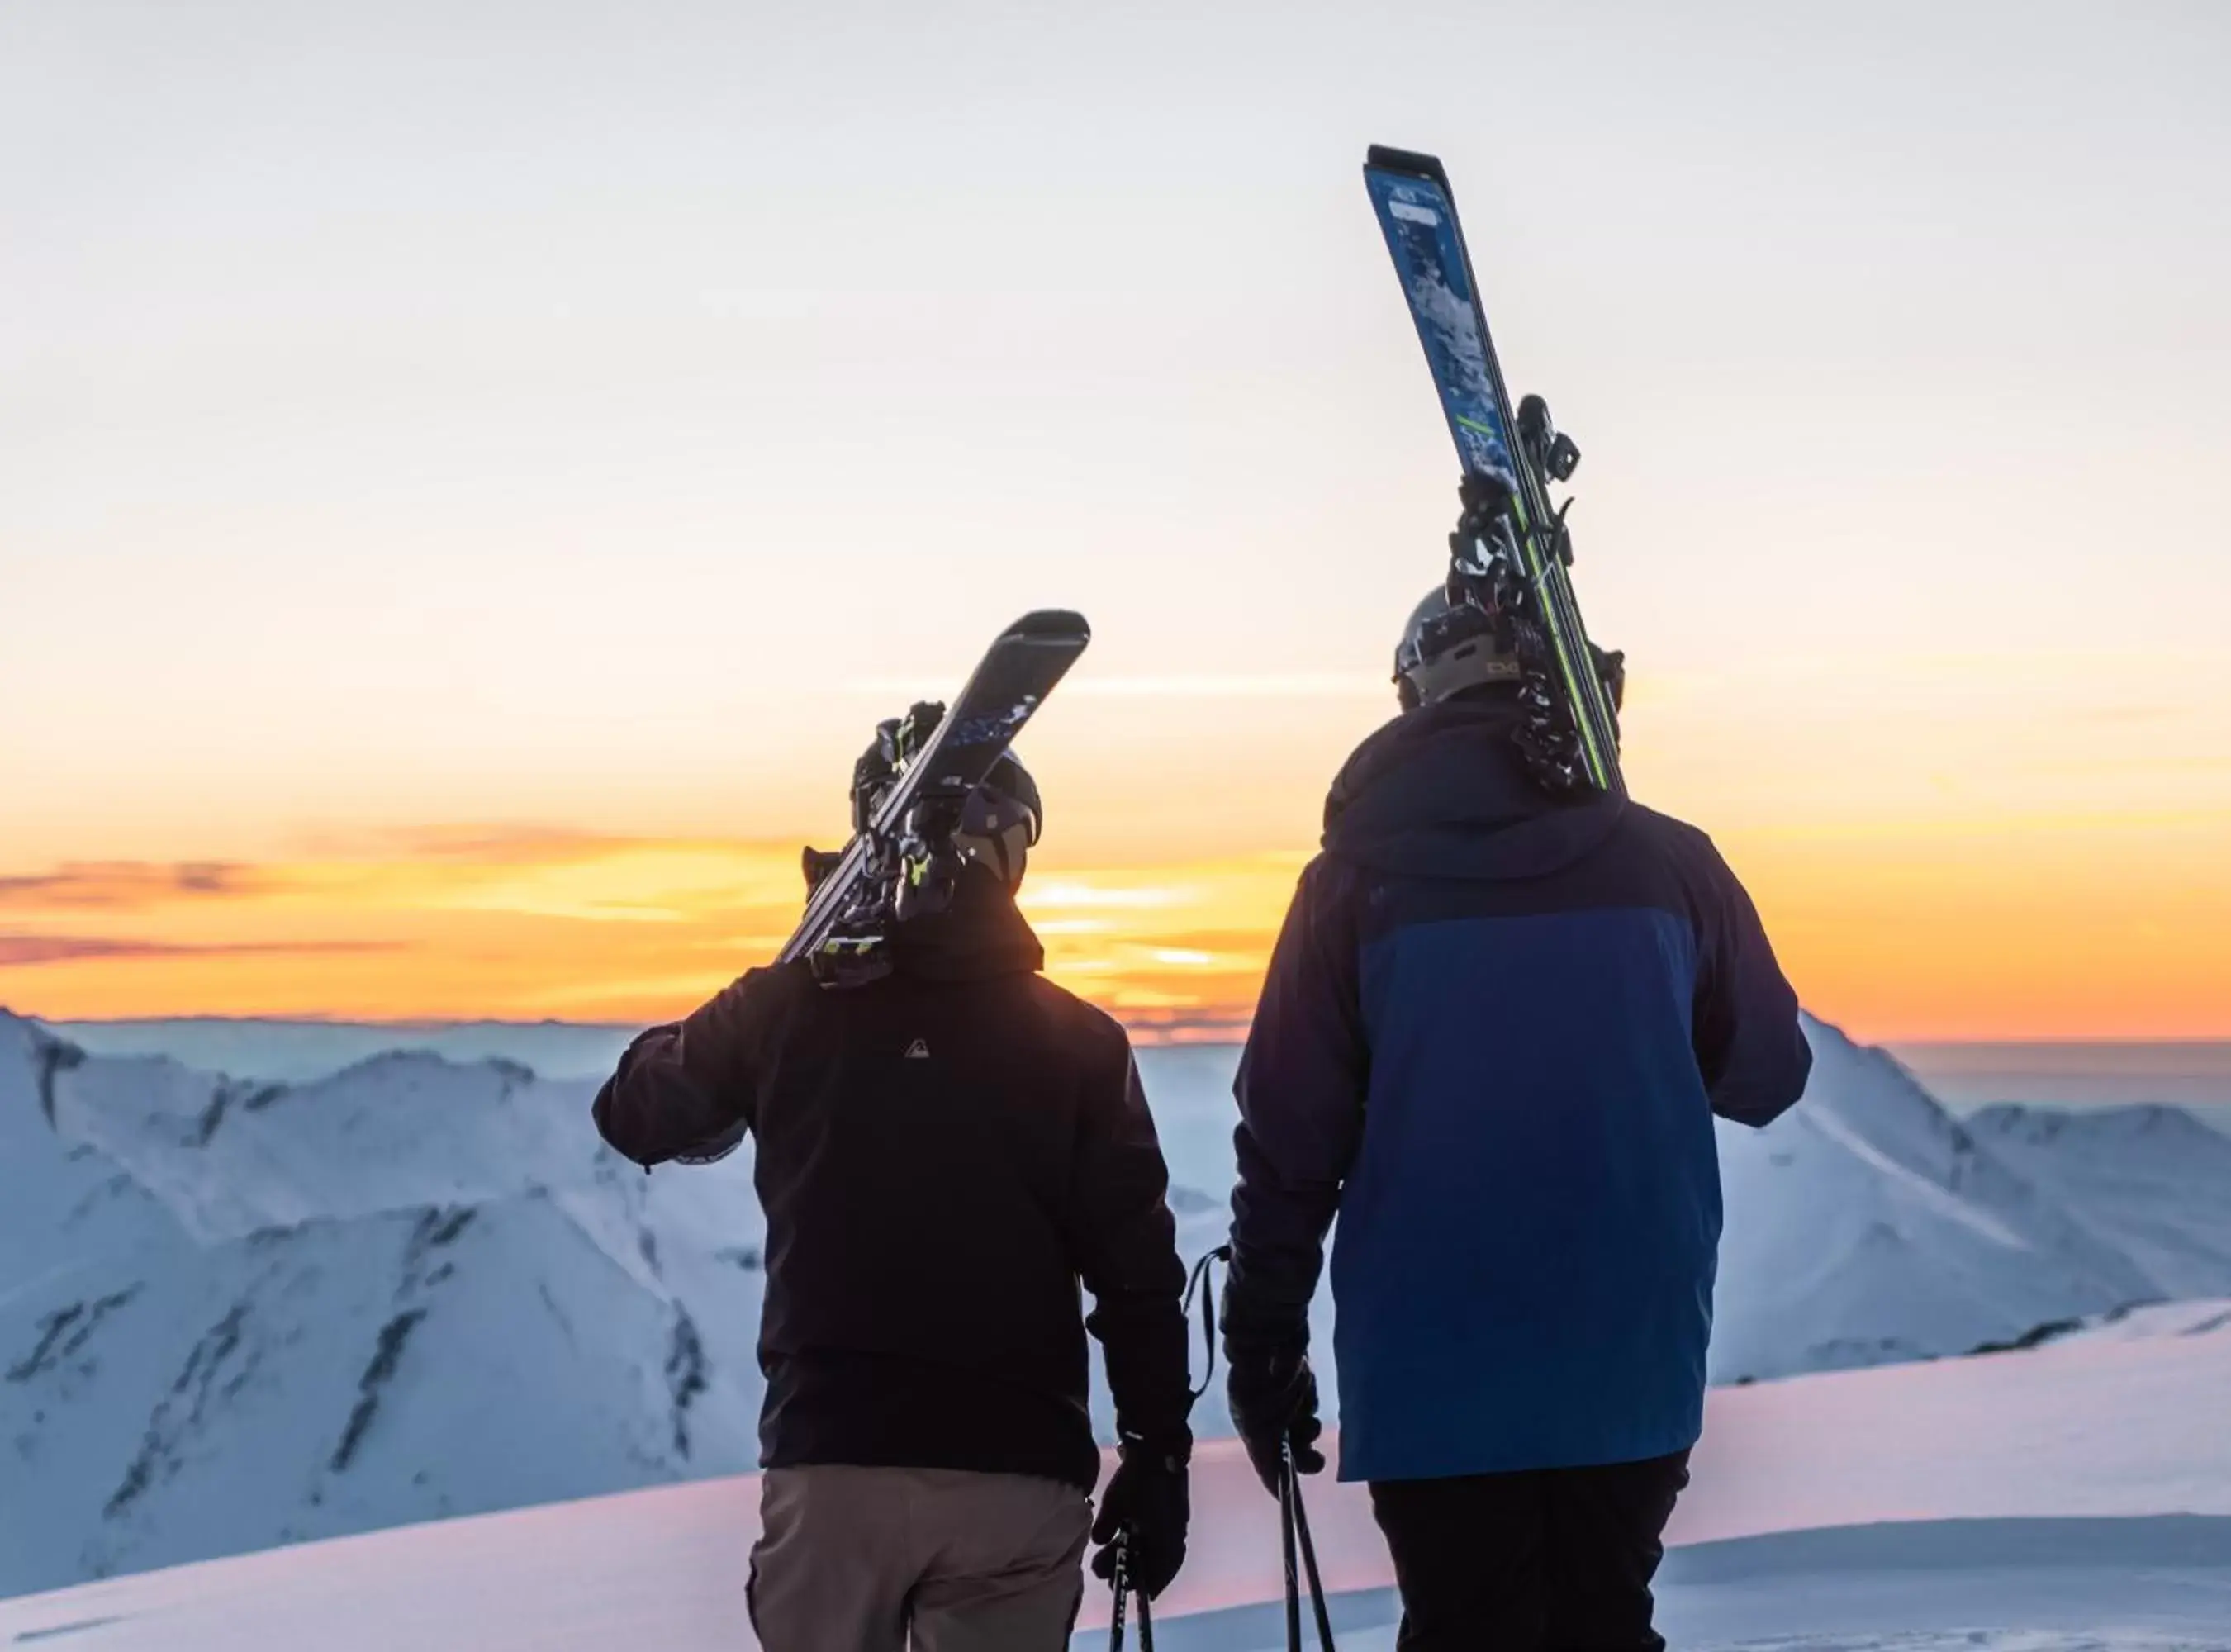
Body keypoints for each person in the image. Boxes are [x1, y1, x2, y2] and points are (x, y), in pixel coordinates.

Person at [1222, 586, 1813, 1651]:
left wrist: (1263, 1345)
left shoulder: (1349, 888)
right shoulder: (1675, 864)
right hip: (1628, 1356)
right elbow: (1766, 1074)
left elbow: (1288, 1143)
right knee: (1603, 1620)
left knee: (1460, 1624)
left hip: (1430, 1369)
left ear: (1414, 699)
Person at [594, 744, 1193, 1652]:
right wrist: (1157, 1449)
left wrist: (777, 982)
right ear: (1008, 850)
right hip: (1018, 1470)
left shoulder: (781, 1008)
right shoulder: (1079, 1042)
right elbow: (1137, 1272)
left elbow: (634, 1113)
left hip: (833, 1460)